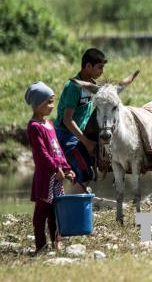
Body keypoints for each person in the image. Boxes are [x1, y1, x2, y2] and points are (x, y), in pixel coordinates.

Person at [25, 81, 75, 254]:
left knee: (56, 211)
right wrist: (56, 168)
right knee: (41, 213)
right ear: (37, 104)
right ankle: (40, 246)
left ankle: (56, 243)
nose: (52, 106)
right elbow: (42, 154)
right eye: (48, 102)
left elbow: (57, 150)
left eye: (53, 101)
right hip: (45, 177)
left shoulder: (49, 125)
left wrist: (66, 168)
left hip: (57, 175)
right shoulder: (34, 127)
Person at [55, 48, 106, 194]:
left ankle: (73, 206)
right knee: (85, 173)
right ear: (88, 66)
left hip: (78, 136)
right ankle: (72, 211)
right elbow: (67, 120)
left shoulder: (91, 85)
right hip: (66, 136)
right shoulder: (74, 87)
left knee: (84, 174)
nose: (102, 71)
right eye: (99, 67)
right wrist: (87, 142)